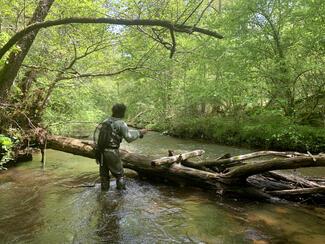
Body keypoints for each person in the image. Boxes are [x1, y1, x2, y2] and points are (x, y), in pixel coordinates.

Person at [96, 103, 147, 191]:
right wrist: (140, 133)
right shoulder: (121, 123)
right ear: (122, 112)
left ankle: (103, 196)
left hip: (100, 152)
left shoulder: (105, 121)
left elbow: (121, 132)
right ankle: (121, 197)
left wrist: (137, 132)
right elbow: (129, 138)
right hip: (112, 153)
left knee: (104, 176)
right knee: (120, 176)